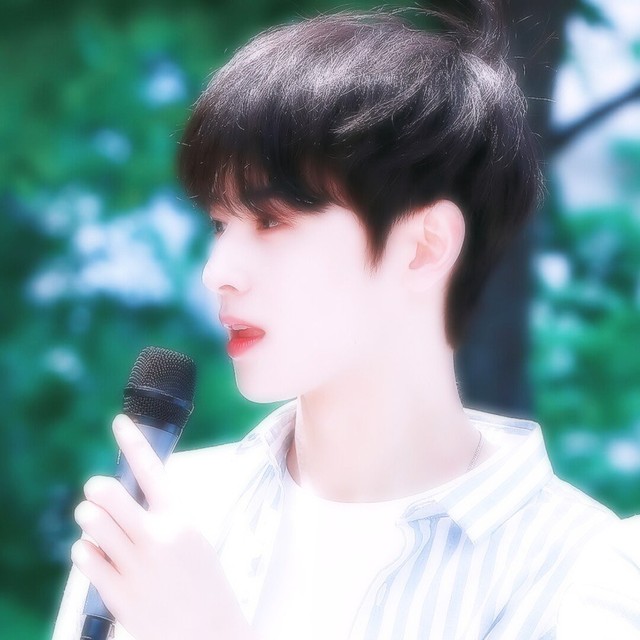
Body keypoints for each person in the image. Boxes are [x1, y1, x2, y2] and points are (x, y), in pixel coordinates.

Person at [52, 4, 619, 639]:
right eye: (220, 223)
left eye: (271, 220)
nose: (217, 272)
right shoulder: (164, 518)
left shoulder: (583, 574)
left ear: (423, 247)